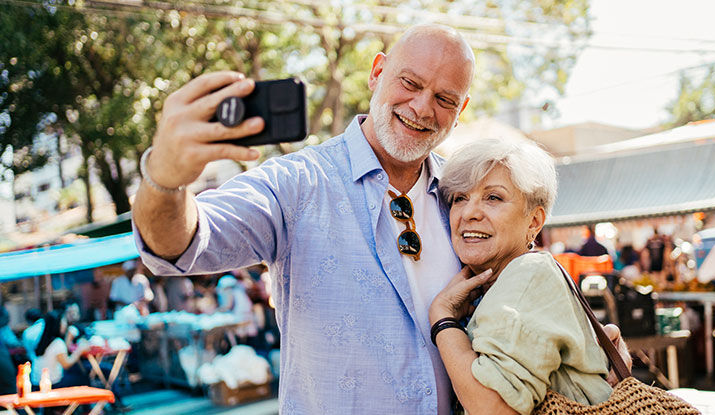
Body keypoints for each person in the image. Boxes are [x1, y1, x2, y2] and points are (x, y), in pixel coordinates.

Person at [132, 24, 628, 414]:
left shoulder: (461, 199)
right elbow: (179, 243)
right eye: (410, 84)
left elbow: (520, 297)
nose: (421, 108)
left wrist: (578, 347)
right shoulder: (295, 184)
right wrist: (164, 180)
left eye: (444, 99)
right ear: (377, 73)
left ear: (461, 109)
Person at [429, 138, 612, 414]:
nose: (469, 213)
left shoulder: (529, 274)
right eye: (460, 198)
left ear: (534, 221)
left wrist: (442, 319)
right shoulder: (498, 283)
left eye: (493, 197)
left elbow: (493, 407)